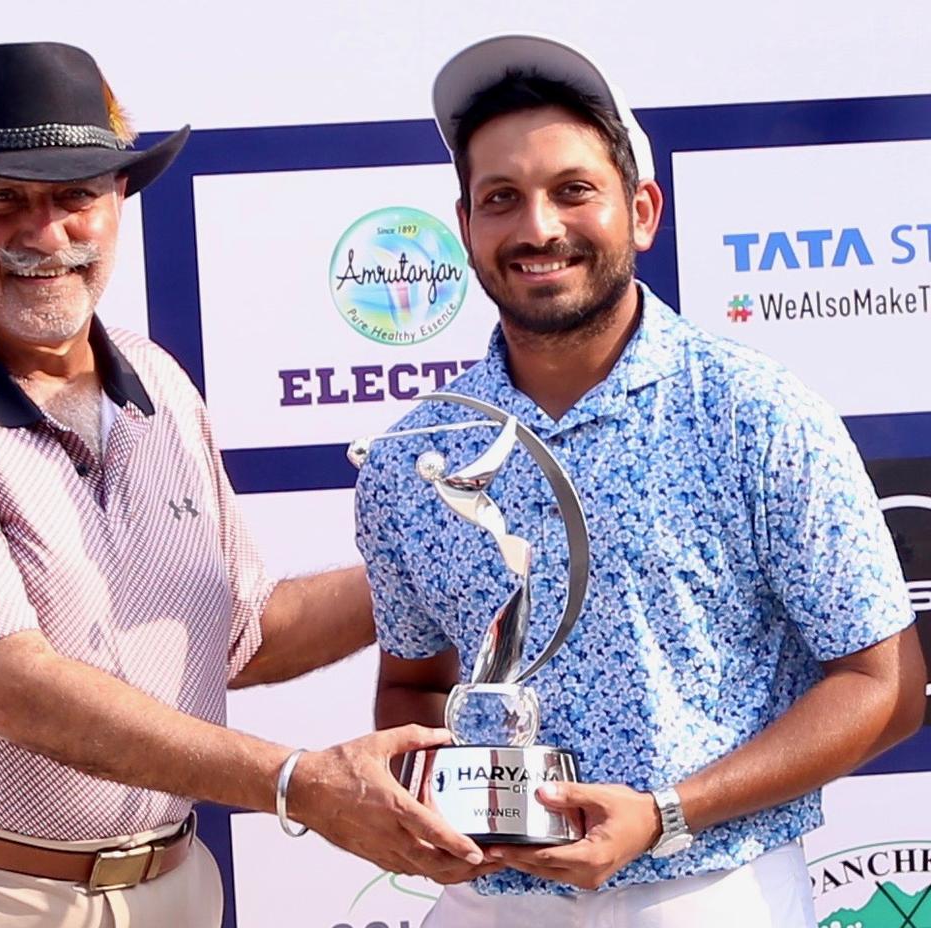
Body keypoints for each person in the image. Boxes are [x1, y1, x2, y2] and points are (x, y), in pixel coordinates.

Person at [0, 42, 490, 928]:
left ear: (118, 204)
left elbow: (239, 636)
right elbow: (6, 684)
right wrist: (298, 784)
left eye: (76, 197)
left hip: (160, 895)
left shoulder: (158, 384)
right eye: (3, 200)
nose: (46, 234)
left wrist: (451, 571)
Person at [355, 34, 927, 927]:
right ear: (465, 229)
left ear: (643, 211)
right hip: (484, 905)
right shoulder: (413, 453)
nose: (537, 227)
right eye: (500, 198)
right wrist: (423, 796)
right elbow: (417, 687)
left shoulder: (756, 413)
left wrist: (668, 814)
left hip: (711, 896)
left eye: (572, 190)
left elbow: (883, 686)